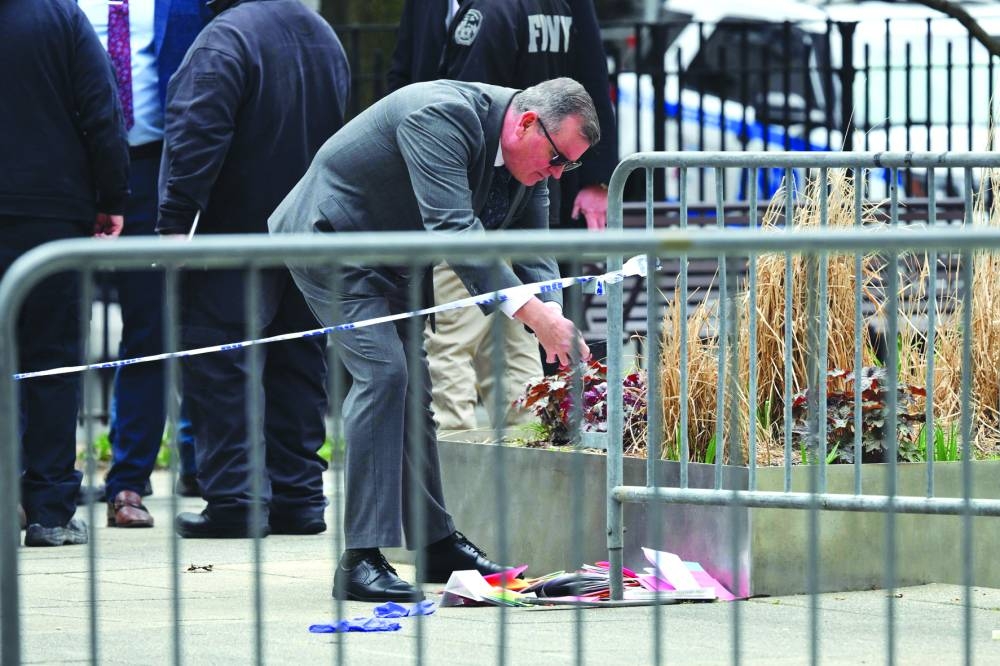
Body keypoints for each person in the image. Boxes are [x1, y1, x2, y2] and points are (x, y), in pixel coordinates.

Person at [269, 77, 598, 601]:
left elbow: (535, 241)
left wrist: (554, 315)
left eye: (569, 168)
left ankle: (434, 541)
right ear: (528, 123)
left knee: (413, 390)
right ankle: (361, 558)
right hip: (331, 239)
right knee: (384, 375)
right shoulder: (442, 116)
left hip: (392, 258)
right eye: (558, 159)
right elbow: (452, 230)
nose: (557, 174)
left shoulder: (531, 155)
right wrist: (536, 318)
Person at [156, 0, 351, 538]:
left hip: (232, 233)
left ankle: (238, 501)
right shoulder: (323, 34)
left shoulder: (226, 38)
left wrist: (175, 223)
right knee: (297, 367)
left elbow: (198, 133)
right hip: (306, 230)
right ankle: (299, 497)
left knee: (221, 365)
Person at [390, 0, 619, 431]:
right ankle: (487, 469)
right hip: (475, 195)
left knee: (470, 346)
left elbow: (587, 77)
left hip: (493, 187)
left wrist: (547, 310)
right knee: (492, 348)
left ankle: (489, 470)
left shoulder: (495, 9)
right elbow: (407, 76)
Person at [77, 0, 212, 528]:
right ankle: (41, 481)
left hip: (153, 171)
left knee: (150, 334)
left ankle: (128, 482)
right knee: (54, 332)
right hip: (74, 172)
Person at [0, 0, 128, 546]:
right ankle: (50, 509)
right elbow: (101, 108)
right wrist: (113, 194)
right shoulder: (60, 15)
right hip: (50, 208)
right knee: (52, 361)